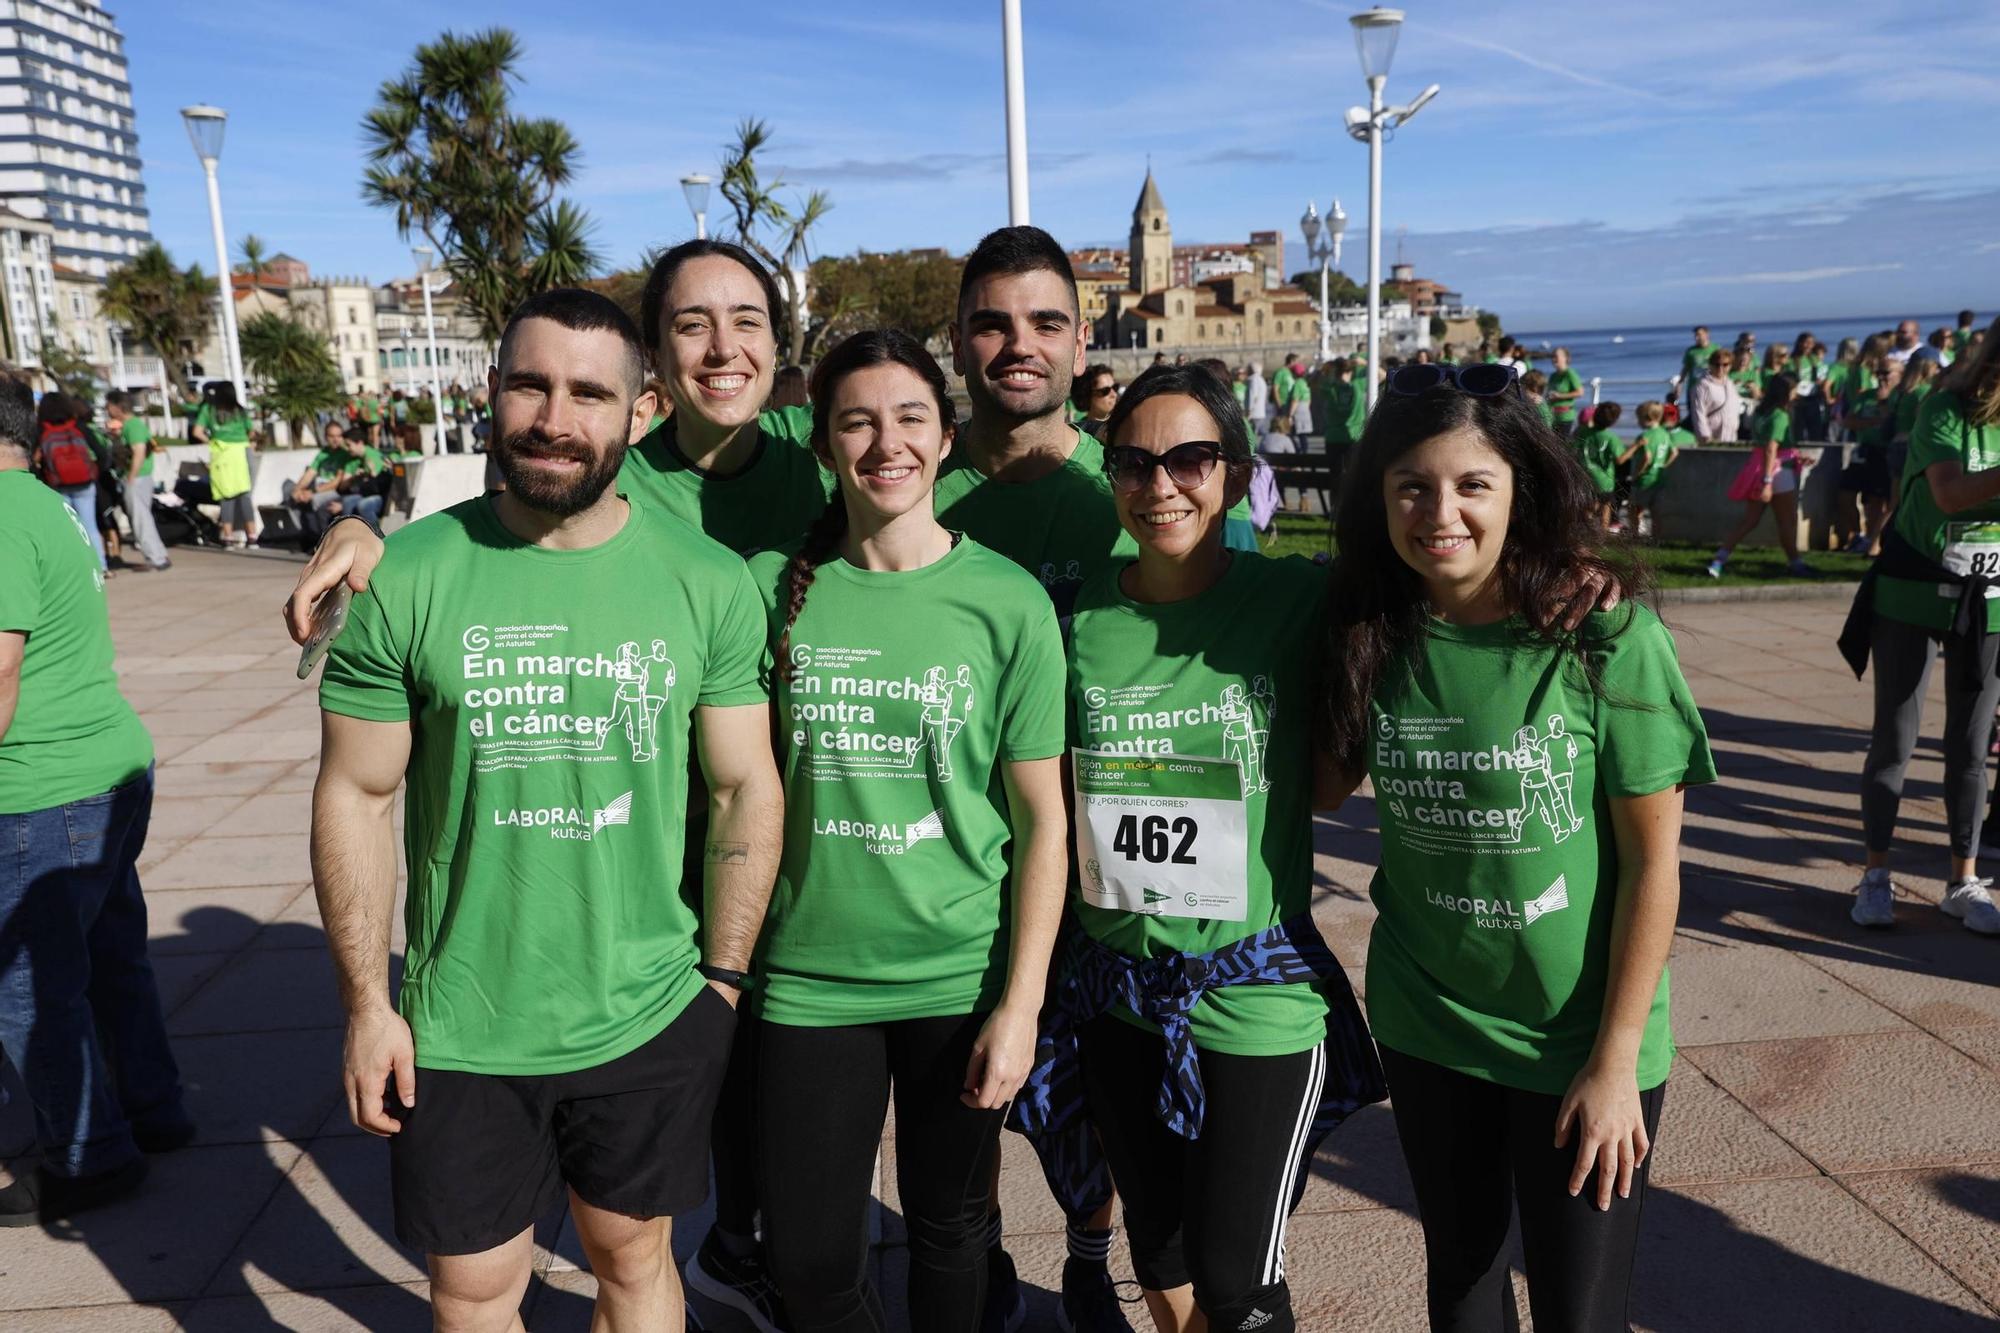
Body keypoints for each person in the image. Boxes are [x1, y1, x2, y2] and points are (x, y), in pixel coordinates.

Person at [312, 288, 783, 1331]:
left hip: (651, 1005)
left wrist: (722, 981)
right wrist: (365, 1005)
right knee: (475, 1287)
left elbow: (743, 783)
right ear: (491, 392)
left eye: (587, 393)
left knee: (633, 1257)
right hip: (462, 1021)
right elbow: (356, 790)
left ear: (641, 410)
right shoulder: (407, 576)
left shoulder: (703, 582)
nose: (553, 418)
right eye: (529, 384)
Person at [1320, 361, 1713, 1332]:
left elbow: (1653, 863)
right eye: (1411, 485)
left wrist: (1615, 1059)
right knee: (1460, 1284)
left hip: (1576, 1039)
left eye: (1470, 485)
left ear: (1518, 489)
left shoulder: (1600, 637)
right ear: (1379, 497)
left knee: (1579, 1310)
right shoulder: (1372, 630)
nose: (1438, 512)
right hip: (1427, 1023)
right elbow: (1313, 787)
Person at [1023, 363, 1384, 1333]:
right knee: (1163, 1255)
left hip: (1251, 996)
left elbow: (1419, 608)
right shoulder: (1072, 620)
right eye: (1134, 462)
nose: (1160, 485)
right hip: (1116, 997)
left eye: (1189, 458)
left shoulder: (1294, 603)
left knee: (1236, 1281)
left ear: (1231, 471)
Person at [746, 328, 1069, 1332]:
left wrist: (1019, 1008)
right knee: (806, 1257)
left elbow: (1043, 825)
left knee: (951, 1232)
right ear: (822, 442)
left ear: (943, 438)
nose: (884, 442)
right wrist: (382, 542)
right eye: (856, 421)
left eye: (908, 419)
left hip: (958, 978)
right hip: (805, 983)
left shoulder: (1005, 602)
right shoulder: (764, 590)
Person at [0, 373, 193, 1225]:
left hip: (43, 788)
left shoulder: (0, 517)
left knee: (29, 989)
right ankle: (153, 1109)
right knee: (113, 956)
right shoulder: (44, 504)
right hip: (107, 768)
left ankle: (89, 1156)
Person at [1844, 316, 2000, 934]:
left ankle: (1963, 881)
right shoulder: (1946, 406)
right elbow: (1949, 495)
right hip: (1912, 591)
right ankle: (1875, 876)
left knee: (1971, 745)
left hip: (1989, 596)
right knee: (1895, 740)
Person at [1707, 374, 1812, 579]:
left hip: (1757, 468)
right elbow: (1772, 449)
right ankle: (1795, 563)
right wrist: (1767, 481)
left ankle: (1720, 558)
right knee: (1787, 521)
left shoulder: (1761, 412)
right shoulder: (1780, 415)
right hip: (1776, 472)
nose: (1795, 394)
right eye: (1793, 391)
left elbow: (1766, 446)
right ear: (1785, 394)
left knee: (1749, 520)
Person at [31, 391, 105, 569]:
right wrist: (94, 471)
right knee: (90, 526)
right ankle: (100, 566)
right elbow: (103, 453)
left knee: (67, 529)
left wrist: (44, 479)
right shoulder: (78, 426)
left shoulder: (42, 430)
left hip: (58, 486)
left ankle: (75, 567)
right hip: (85, 484)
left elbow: (32, 461)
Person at [105, 390, 169, 572]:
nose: (107, 410)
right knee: (143, 518)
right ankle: (158, 555)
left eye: (109, 406)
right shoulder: (131, 426)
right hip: (139, 477)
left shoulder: (133, 426)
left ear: (118, 407)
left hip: (137, 478)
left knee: (141, 519)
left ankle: (155, 558)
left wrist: (130, 477)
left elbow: (139, 452)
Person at [191, 380, 258, 548]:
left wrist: (212, 440)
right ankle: (252, 536)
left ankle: (227, 537)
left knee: (225, 495)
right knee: (244, 494)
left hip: (221, 454)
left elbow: (197, 432)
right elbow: (251, 432)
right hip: (242, 453)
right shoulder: (240, 411)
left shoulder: (209, 410)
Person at [1627, 400, 1679, 538]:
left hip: (1645, 479)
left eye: (1638, 418)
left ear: (1647, 419)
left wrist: (1637, 474)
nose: (1637, 422)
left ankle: (1634, 535)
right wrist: (1664, 465)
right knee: (1656, 511)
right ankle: (1656, 538)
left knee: (1634, 509)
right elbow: (1674, 453)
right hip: (1660, 478)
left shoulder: (1645, 436)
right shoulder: (1665, 434)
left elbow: (1647, 457)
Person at [1571, 400, 1623, 531]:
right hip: (1605, 480)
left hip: (1585, 476)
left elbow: (1571, 448)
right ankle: (1602, 535)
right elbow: (1620, 459)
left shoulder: (1582, 431)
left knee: (1588, 506)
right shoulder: (1611, 438)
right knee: (1605, 507)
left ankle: (1586, 531)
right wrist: (1635, 447)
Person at [1691, 349, 1741, 444]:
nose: (1720, 368)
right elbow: (1698, 413)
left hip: (1731, 435)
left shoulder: (1730, 384)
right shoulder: (1702, 386)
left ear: (1730, 366)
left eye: (1725, 365)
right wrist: (1705, 436)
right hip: (1711, 436)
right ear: (1710, 365)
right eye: (1717, 364)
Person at [1073, 363, 1119, 438]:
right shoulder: (1076, 434)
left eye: (1115, 387)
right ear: (1087, 396)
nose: (1114, 395)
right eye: (1105, 391)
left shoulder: (1123, 426)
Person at [1546, 347, 1583, 436]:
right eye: (1552, 357)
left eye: (1556, 356)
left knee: (1563, 445)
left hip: (1566, 417)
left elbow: (1580, 392)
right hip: (1552, 417)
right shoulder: (1553, 376)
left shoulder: (1570, 374)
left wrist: (1559, 396)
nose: (1553, 359)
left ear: (1565, 358)